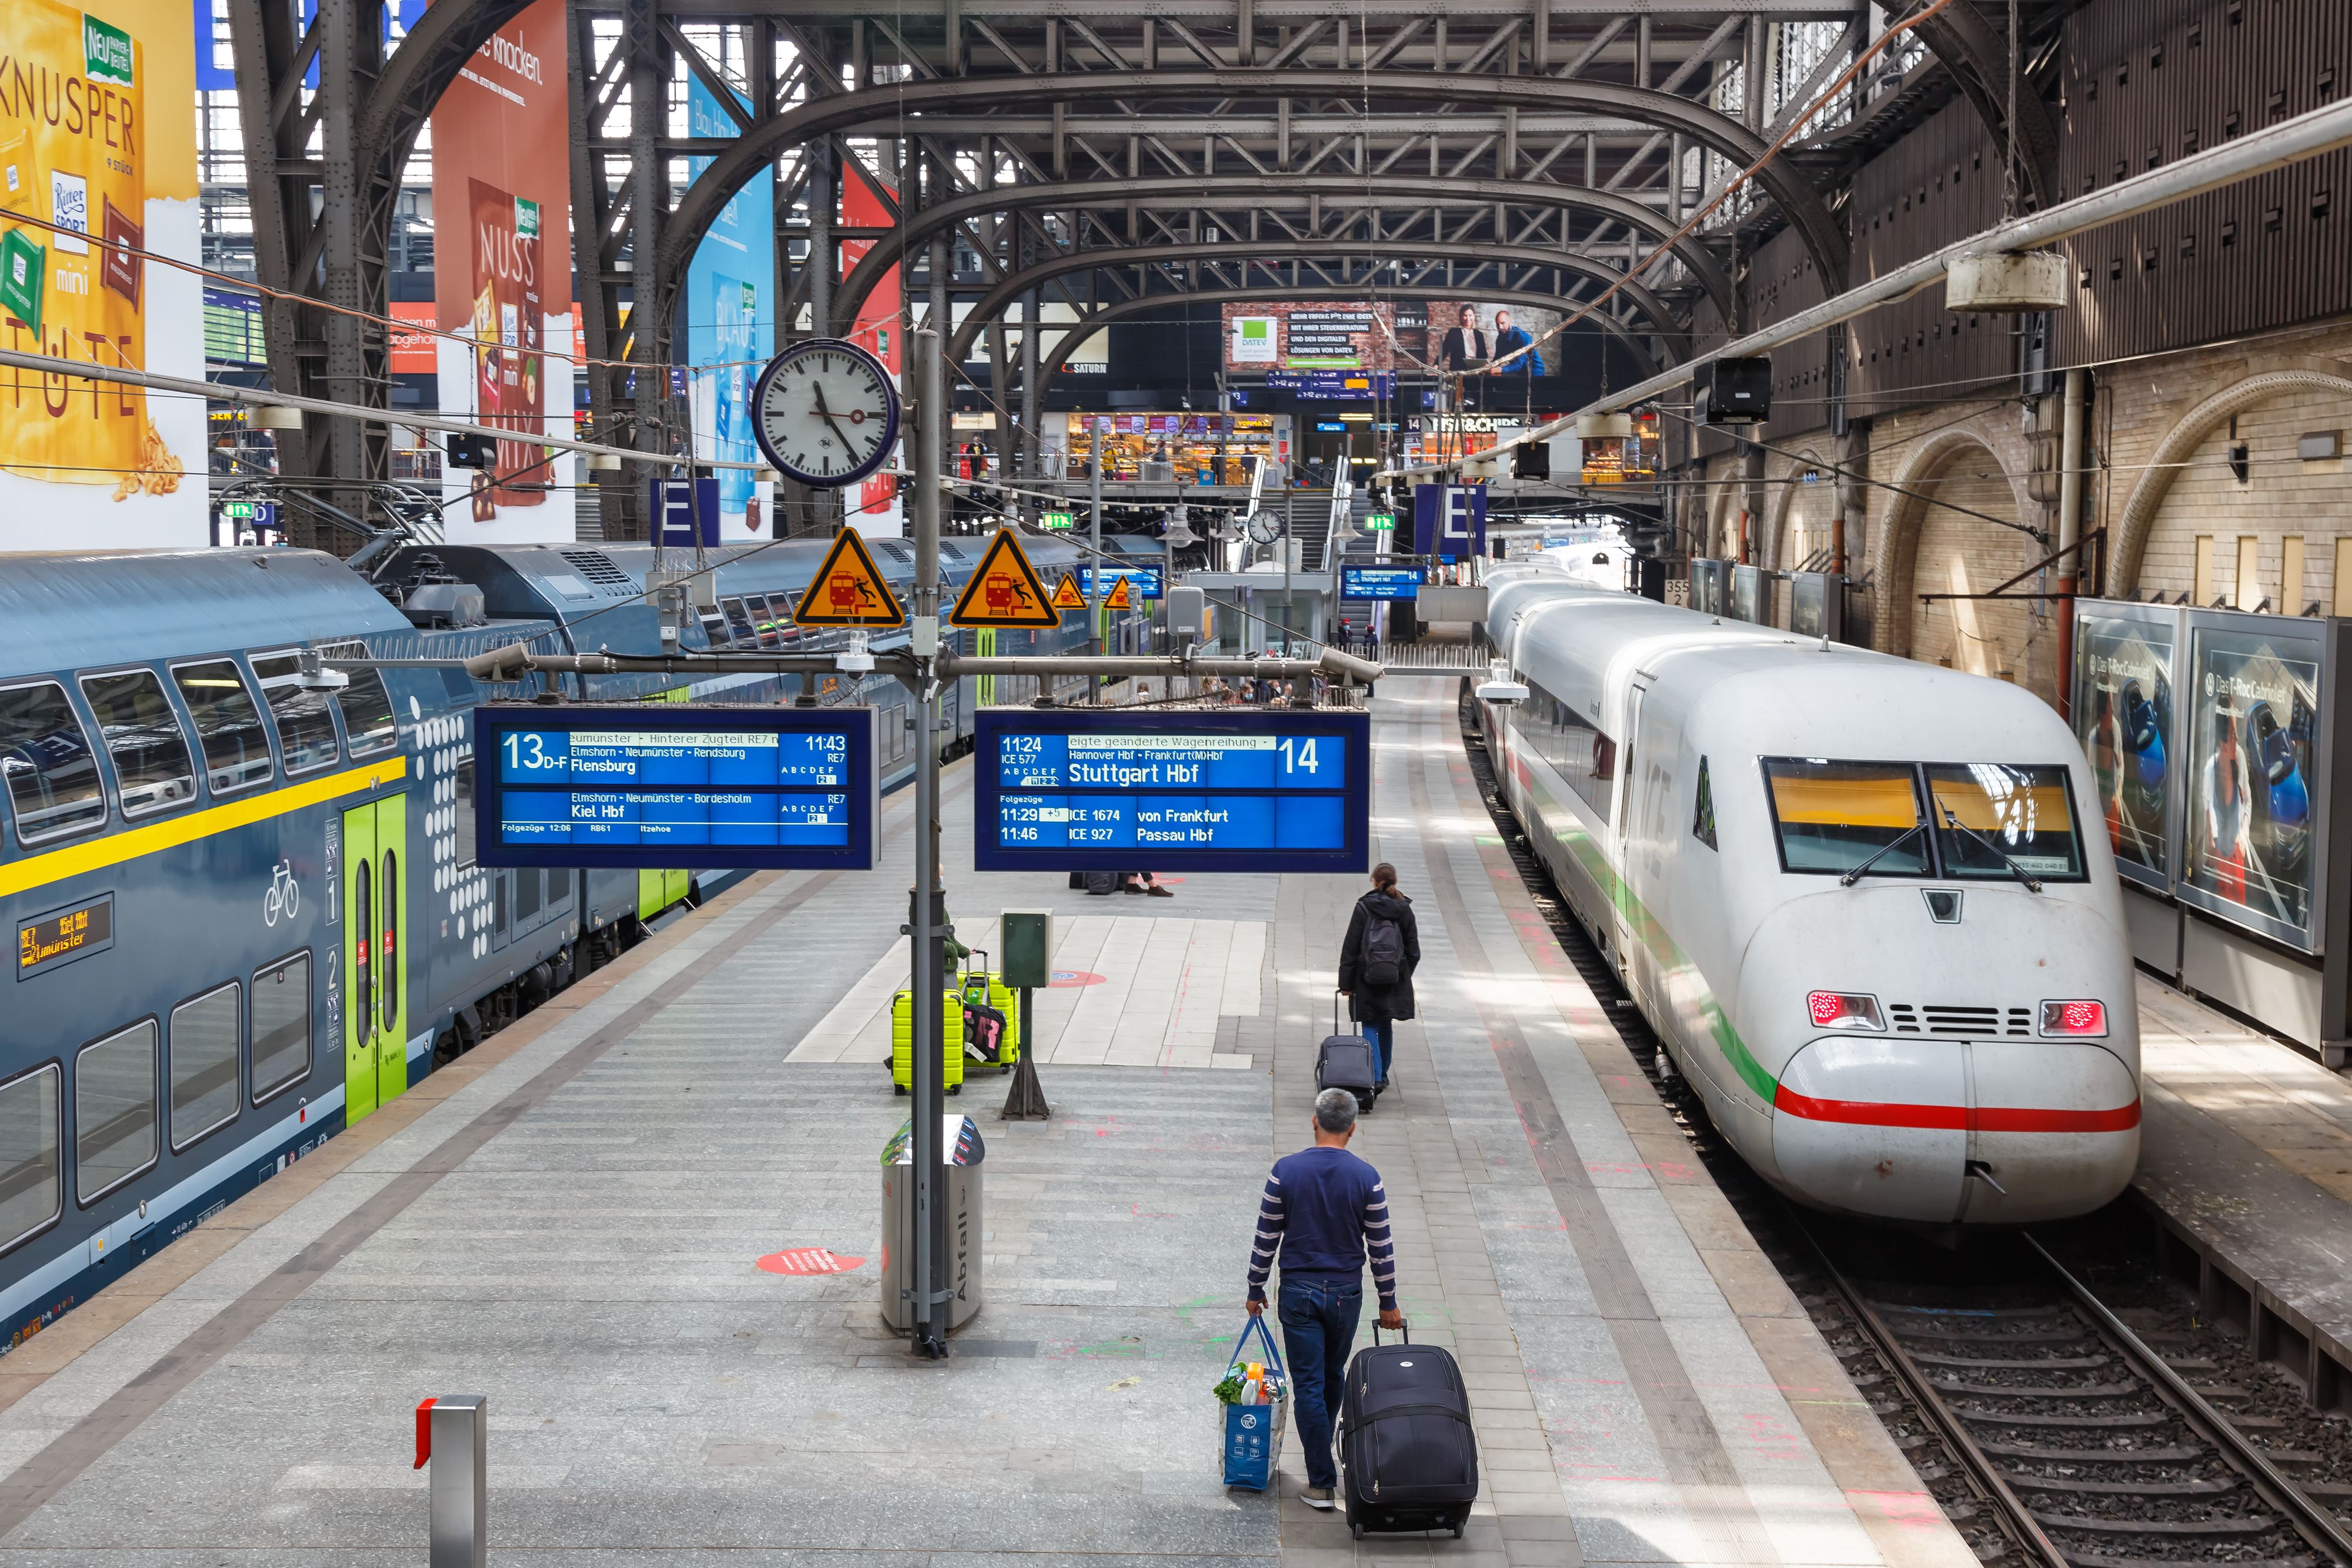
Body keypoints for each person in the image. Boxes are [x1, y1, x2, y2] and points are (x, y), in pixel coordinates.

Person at [1245, 1087, 1402, 1512]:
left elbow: (1267, 1236)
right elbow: (1381, 1246)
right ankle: (1323, 1460)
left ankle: (1321, 1482)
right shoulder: (1368, 1177)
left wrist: (1255, 1287)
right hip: (1346, 1295)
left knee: (1310, 1385)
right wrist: (1388, 1300)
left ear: (1315, 1121)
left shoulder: (1285, 1171)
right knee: (1332, 1377)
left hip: (1298, 1293)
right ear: (1353, 1127)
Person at [1338, 863, 1420, 1091]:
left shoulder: (1363, 907)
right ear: (1396, 881)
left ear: (1374, 881)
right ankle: (1382, 1075)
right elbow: (1414, 950)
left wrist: (1346, 983)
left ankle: (1372, 1077)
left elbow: (1351, 947)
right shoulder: (1404, 909)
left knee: (1369, 1026)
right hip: (1395, 978)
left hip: (1366, 977)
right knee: (1386, 1025)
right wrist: (1402, 974)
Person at [1489, 306, 1545, 376]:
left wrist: (1500, 369)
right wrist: (1490, 365)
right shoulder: (1501, 337)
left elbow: (1518, 365)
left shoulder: (1522, 337)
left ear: (1510, 322)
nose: (1500, 327)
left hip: (1535, 372)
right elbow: (1498, 359)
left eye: (1503, 323)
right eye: (1498, 324)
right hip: (1521, 372)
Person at [1438, 303, 1489, 373]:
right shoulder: (1453, 332)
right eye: (1465, 315)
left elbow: (1484, 355)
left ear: (1474, 317)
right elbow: (1444, 351)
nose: (1468, 319)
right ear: (1461, 317)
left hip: (1476, 372)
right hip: (1458, 372)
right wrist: (1435, 367)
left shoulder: (1479, 335)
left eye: (1470, 316)